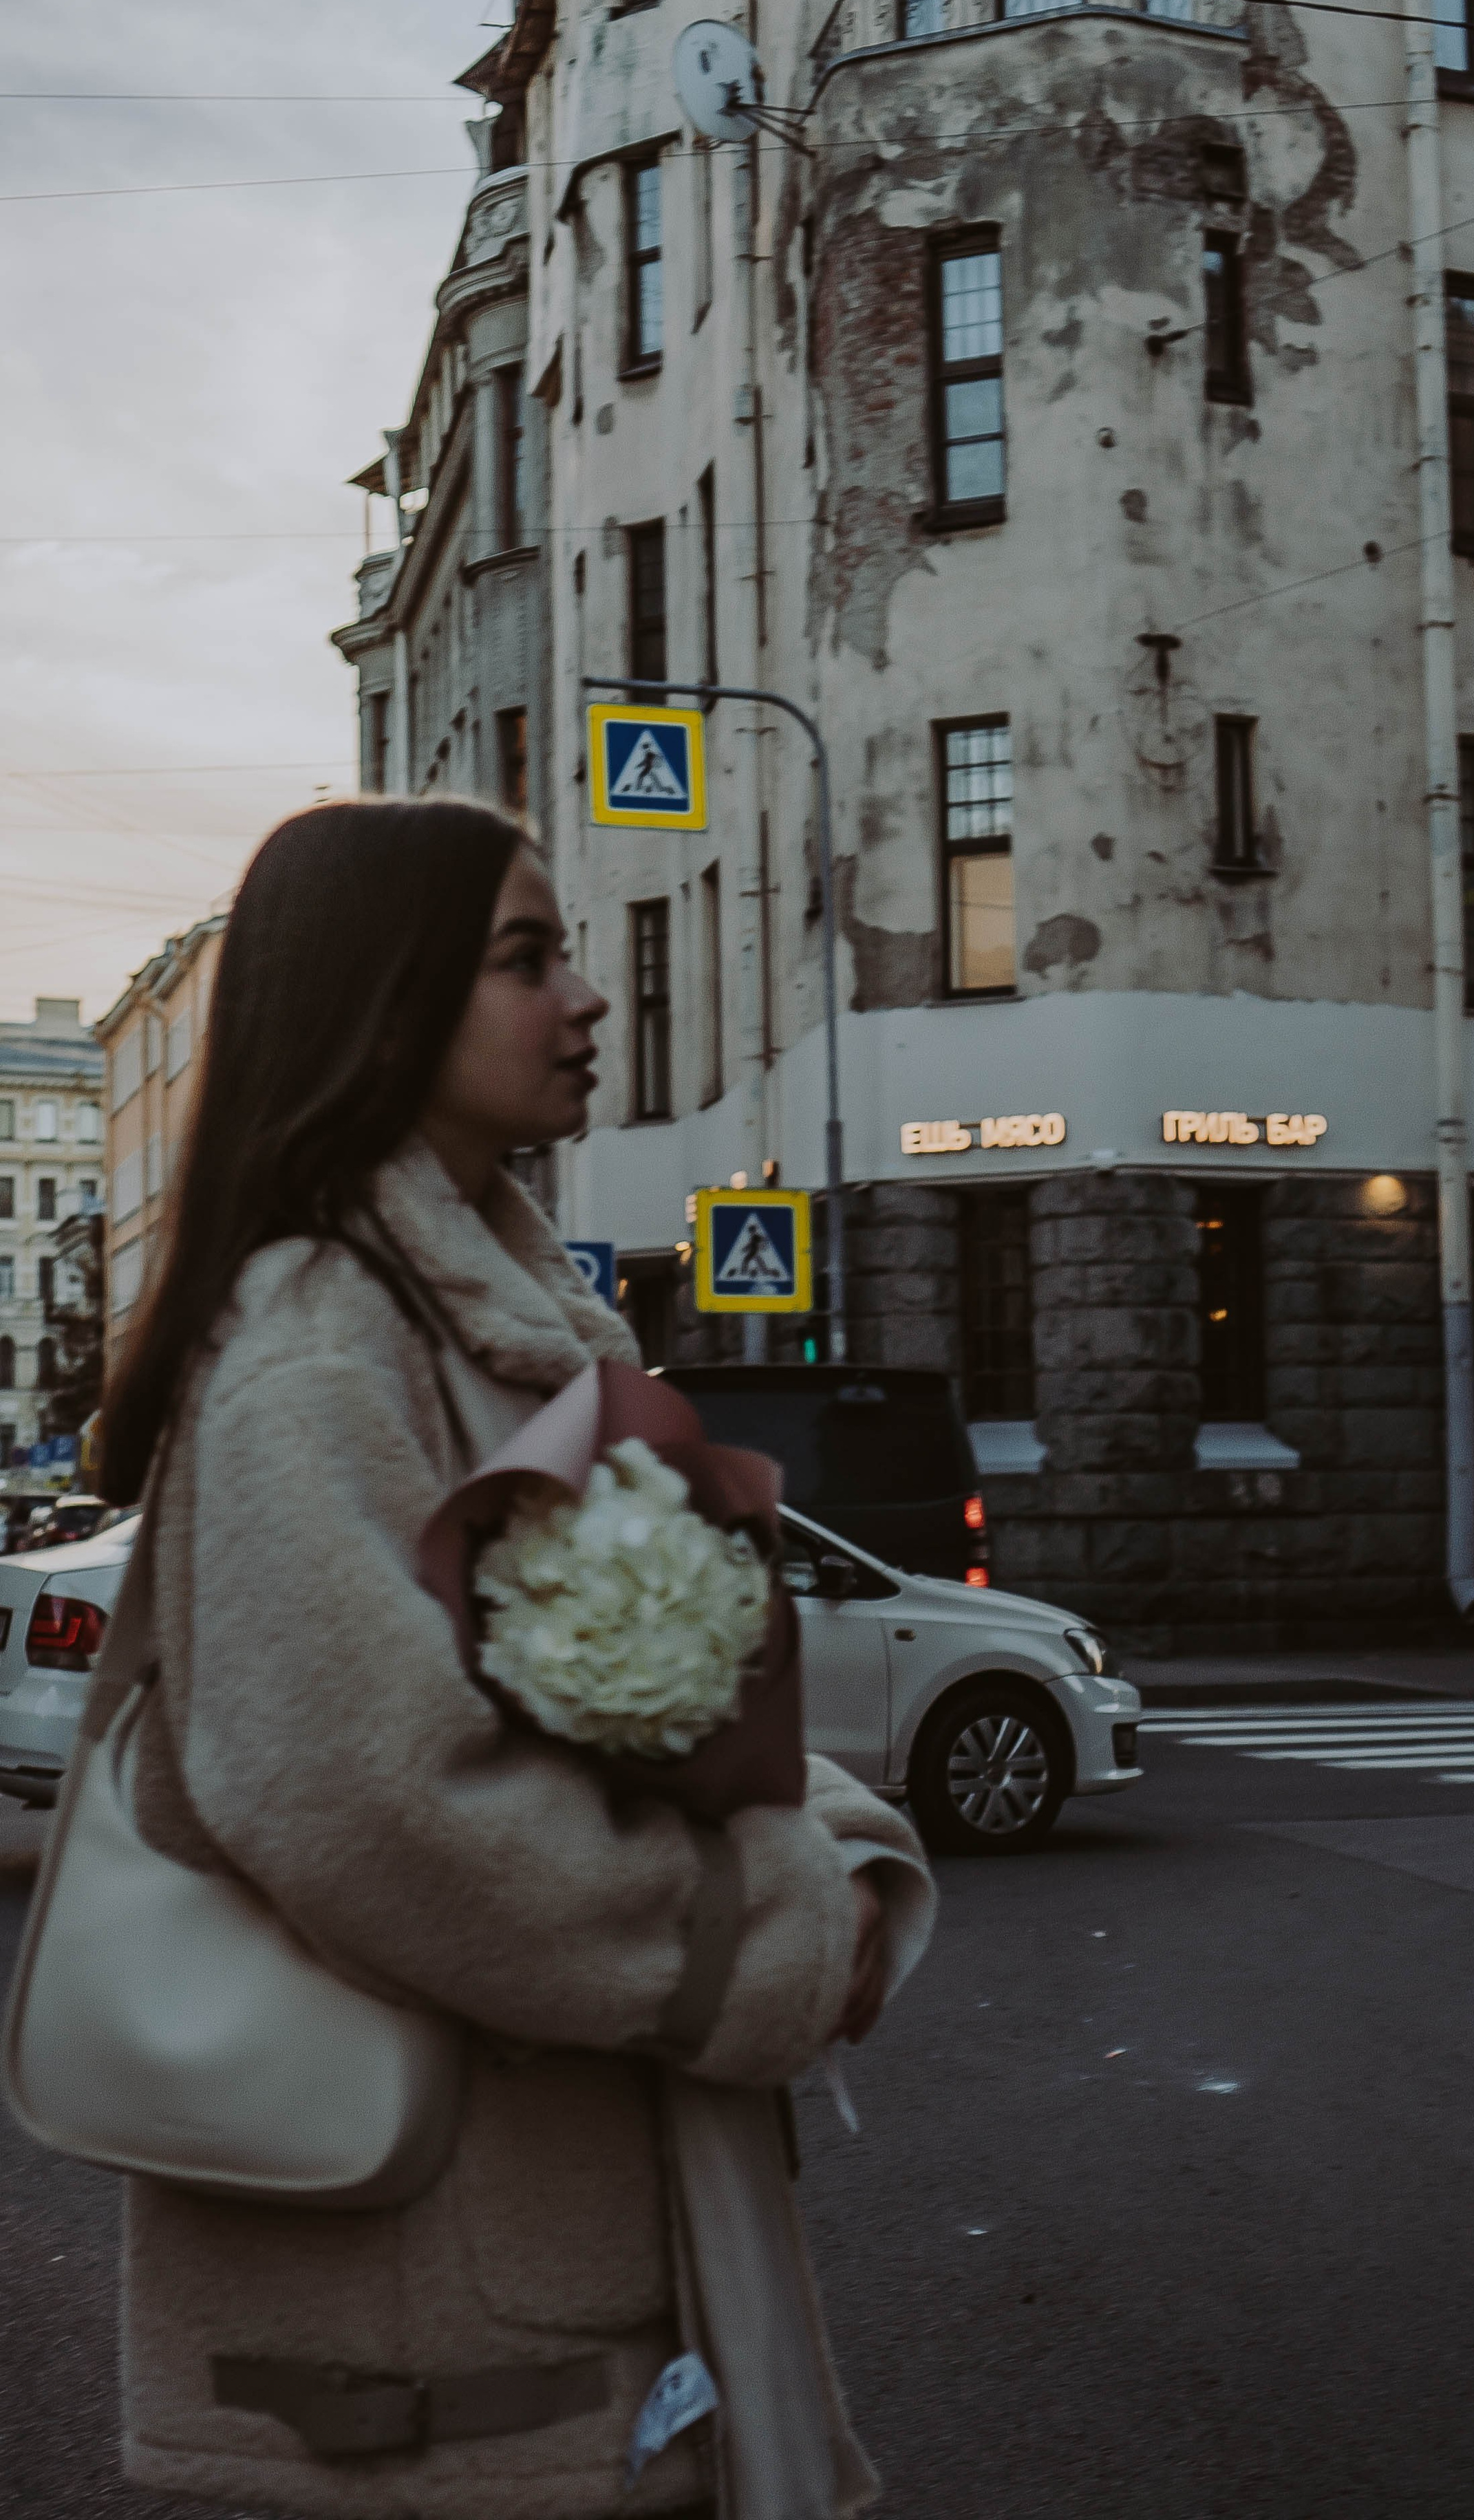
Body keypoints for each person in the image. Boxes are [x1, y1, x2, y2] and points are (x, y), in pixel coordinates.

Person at [99, 799, 930, 2520]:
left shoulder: (494, 1320)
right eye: (525, 957)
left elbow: (674, 1717)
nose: (583, 997)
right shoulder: (318, 1345)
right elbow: (375, 1801)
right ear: (384, 999)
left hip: (519, 2292)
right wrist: (775, 1933)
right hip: (424, 2359)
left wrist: (841, 1843)